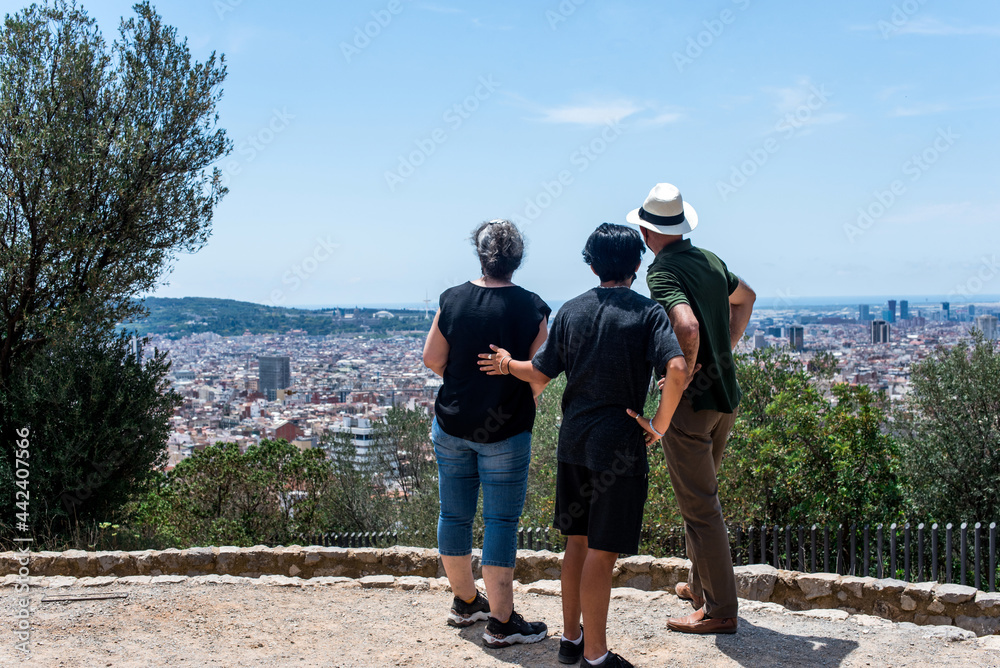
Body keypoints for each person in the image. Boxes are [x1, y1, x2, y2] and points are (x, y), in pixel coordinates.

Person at [479, 223, 688, 668]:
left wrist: (505, 363)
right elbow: (678, 369)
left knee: (576, 542)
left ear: (591, 264)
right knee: (602, 550)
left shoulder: (571, 312)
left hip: (573, 442)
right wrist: (659, 424)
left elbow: (538, 372)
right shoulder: (649, 315)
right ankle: (596, 656)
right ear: (637, 264)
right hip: (619, 447)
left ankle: (571, 641)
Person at [626, 182, 756, 635]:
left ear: (648, 232)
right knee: (701, 499)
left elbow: (685, 323)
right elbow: (747, 298)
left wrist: (683, 375)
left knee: (701, 507)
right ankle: (701, 589)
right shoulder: (710, 260)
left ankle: (720, 610)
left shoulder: (662, 272)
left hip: (693, 405)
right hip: (725, 399)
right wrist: (724, 353)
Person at [422, 219, 551, 649]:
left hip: (453, 423)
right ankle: (501, 620)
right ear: (517, 258)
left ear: (480, 255)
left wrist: (464, 384)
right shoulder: (532, 307)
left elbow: (431, 358)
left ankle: (464, 601)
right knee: (500, 521)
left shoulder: (453, 299)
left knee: (453, 515)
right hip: (507, 429)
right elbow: (539, 374)